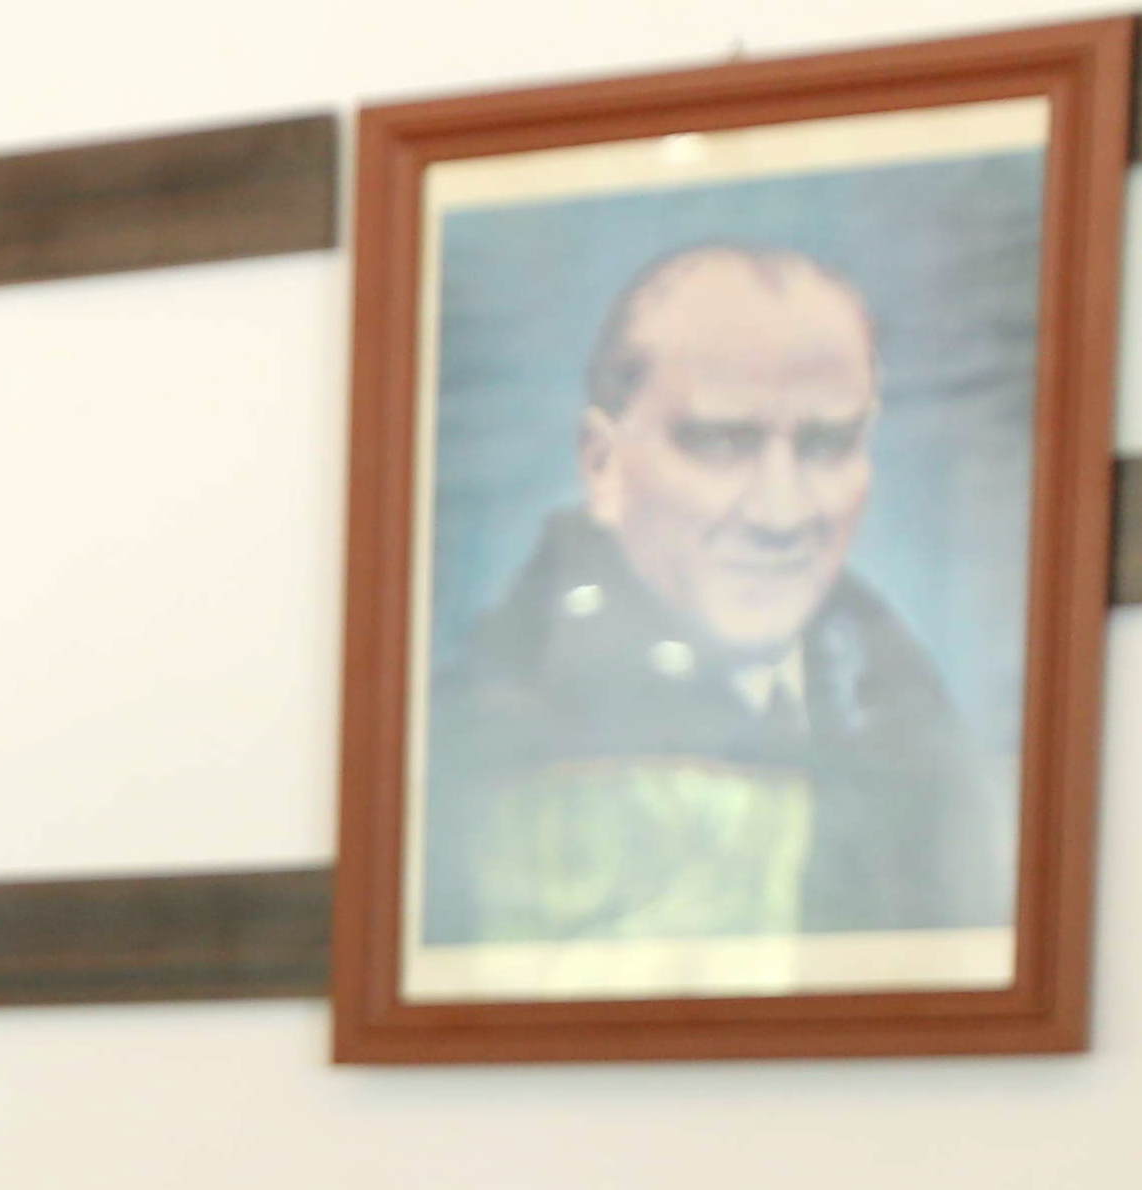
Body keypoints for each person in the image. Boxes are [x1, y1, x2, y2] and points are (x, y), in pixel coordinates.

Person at [426, 239, 1004, 947]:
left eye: (827, 445)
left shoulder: (903, 707)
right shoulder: (487, 734)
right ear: (602, 464)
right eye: (721, 444)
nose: (780, 512)